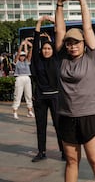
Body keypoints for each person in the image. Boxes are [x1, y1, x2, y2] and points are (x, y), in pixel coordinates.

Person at [54, 0, 95, 182]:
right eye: (69, 43)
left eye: (76, 42)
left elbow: (87, 28)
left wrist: (82, 3)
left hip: (89, 115)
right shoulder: (61, 58)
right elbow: (59, 31)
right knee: (71, 161)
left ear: (84, 43)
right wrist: (59, 5)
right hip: (66, 116)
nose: (72, 46)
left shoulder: (91, 57)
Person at [30, 15, 64, 162]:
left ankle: (64, 151)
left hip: (56, 96)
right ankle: (41, 152)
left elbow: (59, 37)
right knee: (41, 125)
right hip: (40, 97)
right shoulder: (37, 60)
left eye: (49, 48)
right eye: (44, 48)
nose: (46, 50)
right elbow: (36, 40)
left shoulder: (57, 58)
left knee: (58, 125)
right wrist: (39, 23)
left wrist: (56, 23)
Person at [11, 37, 34, 120]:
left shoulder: (27, 61)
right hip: (19, 78)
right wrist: (21, 45)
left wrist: (31, 46)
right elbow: (17, 55)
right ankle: (15, 112)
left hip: (27, 78)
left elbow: (30, 54)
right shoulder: (16, 62)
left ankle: (30, 111)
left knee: (29, 95)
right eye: (21, 56)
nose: (22, 57)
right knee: (18, 95)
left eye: (23, 56)